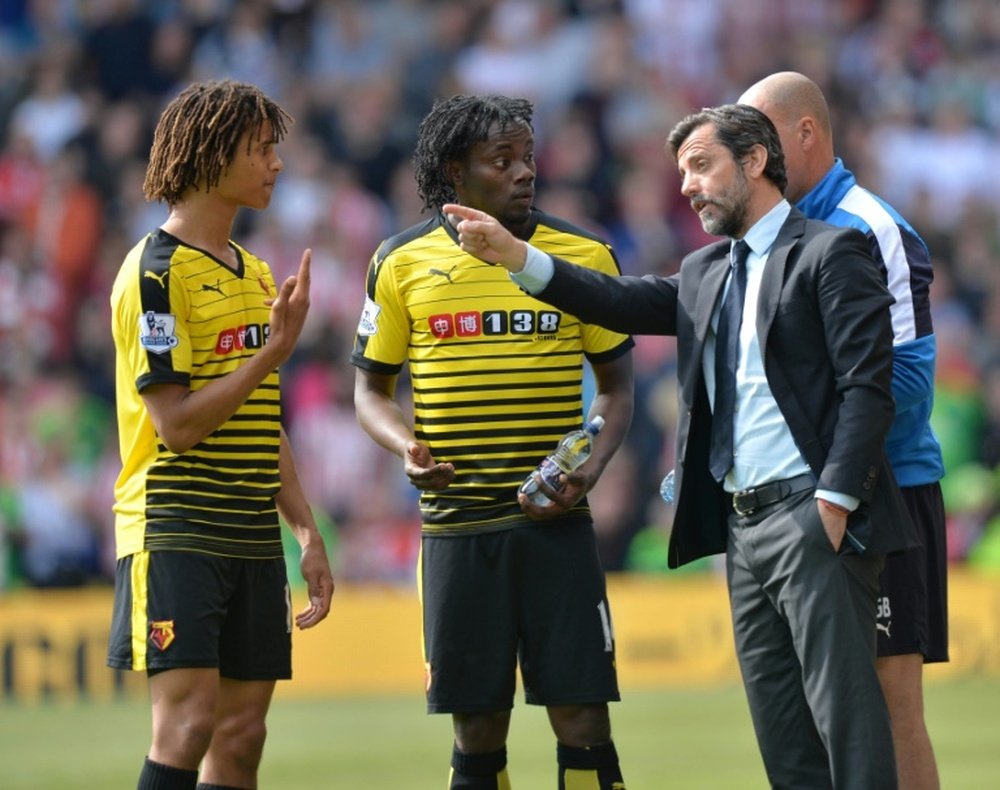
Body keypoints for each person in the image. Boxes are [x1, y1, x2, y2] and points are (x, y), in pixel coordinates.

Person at [444, 102, 921, 789]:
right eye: (681, 173)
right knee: (782, 731)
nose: (688, 186)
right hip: (744, 530)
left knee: (846, 720)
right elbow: (615, 298)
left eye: (701, 166)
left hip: (813, 519)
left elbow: (868, 389)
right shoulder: (705, 271)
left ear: (755, 160)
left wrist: (835, 501)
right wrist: (518, 256)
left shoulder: (832, 250)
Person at [351, 94, 634, 790]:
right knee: (476, 729)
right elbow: (369, 393)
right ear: (455, 171)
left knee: (583, 722)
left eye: (527, 157)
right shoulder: (400, 262)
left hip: (556, 527)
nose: (523, 172)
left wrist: (589, 470)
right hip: (457, 530)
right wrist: (406, 447)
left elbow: (618, 390)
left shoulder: (581, 253)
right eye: (500, 160)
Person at [107, 79, 335, 790]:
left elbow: (260, 416)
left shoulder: (255, 271)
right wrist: (272, 351)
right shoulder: (154, 274)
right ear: (211, 156)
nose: (276, 164)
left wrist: (305, 530)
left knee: (241, 736)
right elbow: (175, 426)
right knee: (187, 726)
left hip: (247, 530)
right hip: (176, 523)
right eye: (261, 150)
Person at [738, 71, 949, 790]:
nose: (750, 162)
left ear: (805, 133)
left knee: (889, 708)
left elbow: (913, 384)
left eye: (759, 143)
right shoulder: (766, 235)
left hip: (883, 495)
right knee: (807, 712)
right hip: (801, 502)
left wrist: (823, 444)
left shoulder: (871, 224)